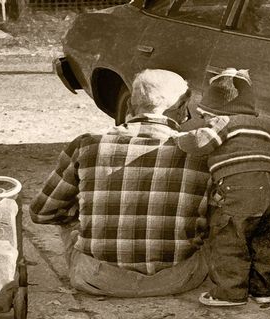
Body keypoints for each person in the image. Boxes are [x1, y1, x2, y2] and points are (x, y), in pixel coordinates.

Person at [30, 69, 228, 297]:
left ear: (132, 105)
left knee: (74, 218)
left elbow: (42, 212)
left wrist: (86, 214)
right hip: (178, 279)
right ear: (182, 108)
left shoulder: (87, 144)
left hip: (97, 279)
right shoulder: (200, 153)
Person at [175, 68, 270, 307]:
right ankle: (263, 290)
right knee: (268, 244)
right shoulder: (264, 126)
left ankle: (230, 293)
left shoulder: (223, 122)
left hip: (240, 193)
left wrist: (176, 138)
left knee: (229, 240)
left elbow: (200, 141)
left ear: (212, 111)